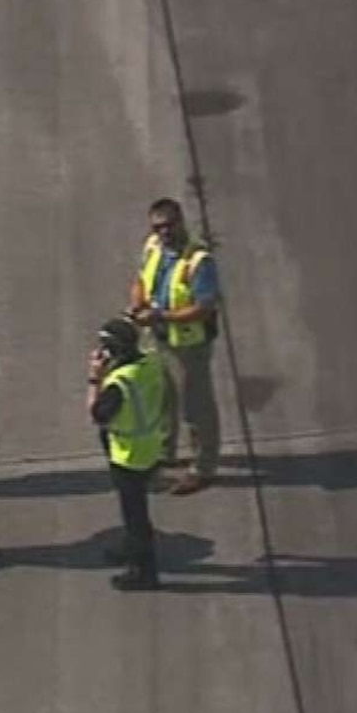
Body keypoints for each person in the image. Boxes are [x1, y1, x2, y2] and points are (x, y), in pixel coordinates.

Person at [126, 198, 222, 494]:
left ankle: (203, 467)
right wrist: (137, 304)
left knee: (197, 407)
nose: (164, 232)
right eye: (158, 226)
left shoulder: (198, 261)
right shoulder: (153, 246)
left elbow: (205, 307)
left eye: (169, 225)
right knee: (164, 398)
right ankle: (166, 452)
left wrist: (162, 315)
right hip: (161, 338)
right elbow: (141, 280)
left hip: (190, 345)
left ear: (180, 222)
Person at [87, 317, 172, 591]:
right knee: (133, 511)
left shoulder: (119, 383)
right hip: (151, 443)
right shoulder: (151, 362)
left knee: (136, 515)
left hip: (129, 454)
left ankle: (144, 571)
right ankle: (130, 546)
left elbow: (96, 414)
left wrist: (94, 378)